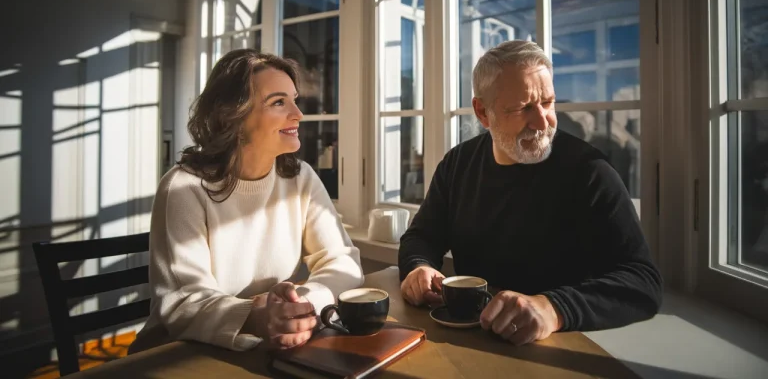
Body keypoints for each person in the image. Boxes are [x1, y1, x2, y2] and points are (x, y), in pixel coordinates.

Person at [398, 40, 662, 346]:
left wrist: (553, 308)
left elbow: (643, 282)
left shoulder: (591, 172)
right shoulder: (457, 165)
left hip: (568, 347)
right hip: (472, 339)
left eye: (548, 102)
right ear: (483, 112)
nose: (542, 122)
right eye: (523, 108)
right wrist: (419, 266)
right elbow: (421, 237)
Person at [130, 50, 363, 353]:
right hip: (175, 356)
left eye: (294, 100)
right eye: (279, 102)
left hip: (257, 350)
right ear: (233, 116)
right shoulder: (184, 187)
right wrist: (255, 317)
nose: (298, 114)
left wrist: (304, 302)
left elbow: (343, 260)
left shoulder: (300, 177)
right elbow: (183, 301)